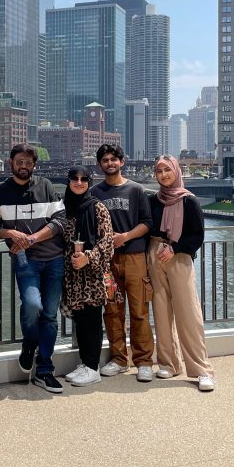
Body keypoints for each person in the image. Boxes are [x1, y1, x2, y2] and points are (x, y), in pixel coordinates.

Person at [0, 144, 67, 394]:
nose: (24, 166)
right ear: (11, 162)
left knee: (50, 315)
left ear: (34, 165)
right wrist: (9, 232)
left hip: (54, 258)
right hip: (24, 260)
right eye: (19, 161)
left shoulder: (47, 186)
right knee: (32, 305)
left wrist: (32, 238)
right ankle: (29, 344)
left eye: (28, 162)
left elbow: (60, 220)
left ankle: (45, 368)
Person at [146, 155, 215, 391]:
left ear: (176, 171)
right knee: (161, 310)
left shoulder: (189, 202)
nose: (164, 175)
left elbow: (197, 236)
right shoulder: (153, 200)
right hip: (155, 254)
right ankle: (168, 363)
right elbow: (148, 228)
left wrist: (174, 249)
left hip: (179, 255)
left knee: (188, 313)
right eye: (159, 171)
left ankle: (201, 370)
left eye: (167, 170)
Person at [90, 144, 155, 382]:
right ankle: (119, 359)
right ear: (100, 165)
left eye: (114, 159)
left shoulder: (136, 190)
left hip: (135, 257)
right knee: (113, 311)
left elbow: (147, 223)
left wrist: (124, 237)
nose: (110, 163)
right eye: (105, 160)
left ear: (122, 161)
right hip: (107, 262)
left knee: (139, 311)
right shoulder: (94, 193)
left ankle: (144, 361)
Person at [60, 166, 115, 387]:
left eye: (84, 179)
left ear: (89, 183)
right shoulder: (64, 209)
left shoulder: (97, 208)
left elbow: (107, 242)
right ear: (69, 181)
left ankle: (93, 368)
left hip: (91, 277)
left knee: (92, 321)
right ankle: (85, 363)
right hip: (72, 277)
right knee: (81, 321)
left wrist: (88, 257)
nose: (79, 182)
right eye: (75, 178)